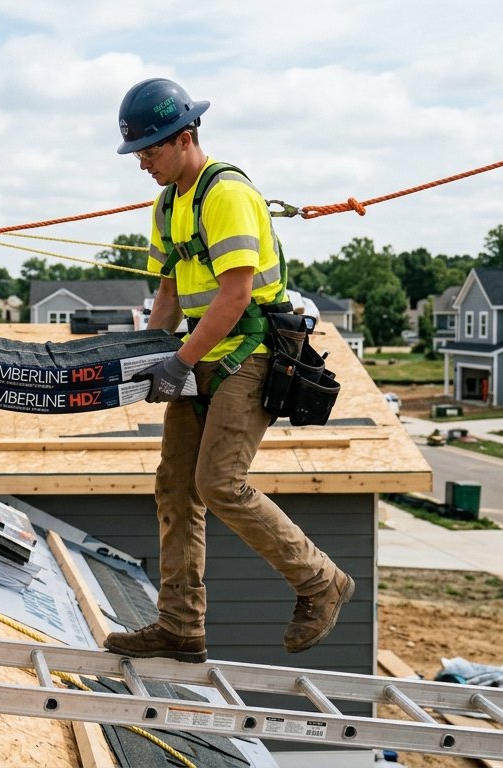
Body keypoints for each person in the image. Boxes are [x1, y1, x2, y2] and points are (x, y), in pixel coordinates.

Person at [102, 78, 354, 663]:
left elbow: (235, 295)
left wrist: (179, 360)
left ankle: (322, 582)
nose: (142, 163)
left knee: (218, 482)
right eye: (137, 153)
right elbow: (168, 293)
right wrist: (149, 356)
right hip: (200, 356)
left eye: (151, 150)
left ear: (185, 137)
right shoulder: (167, 203)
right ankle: (179, 627)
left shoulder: (227, 194)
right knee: (174, 486)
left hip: (252, 351)